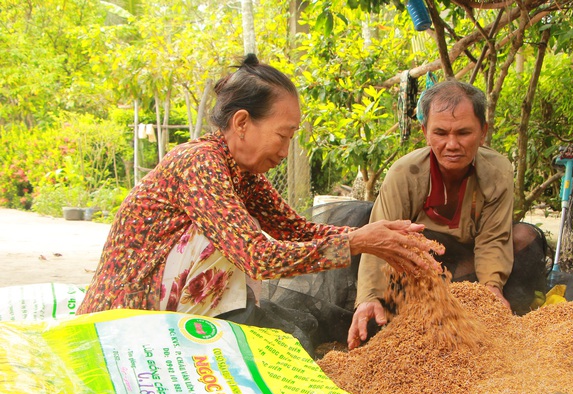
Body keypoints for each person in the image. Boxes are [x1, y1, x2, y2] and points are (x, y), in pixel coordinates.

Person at [78, 54, 442, 329]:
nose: (284, 152)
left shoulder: (241, 172)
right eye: (282, 135)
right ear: (241, 123)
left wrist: (373, 237)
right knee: (233, 245)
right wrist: (356, 242)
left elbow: (297, 230)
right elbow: (258, 257)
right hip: (122, 317)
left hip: (157, 312)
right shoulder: (199, 163)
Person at [348, 79, 546, 349]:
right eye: (440, 133)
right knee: (377, 322)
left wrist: (491, 288)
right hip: (420, 266)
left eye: (463, 133)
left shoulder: (497, 171)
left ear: (483, 132)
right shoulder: (405, 173)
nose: (452, 144)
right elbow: (381, 240)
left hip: (470, 262)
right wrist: (369, 297)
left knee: (524, 236)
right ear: (425, 132)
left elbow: (493, 238)